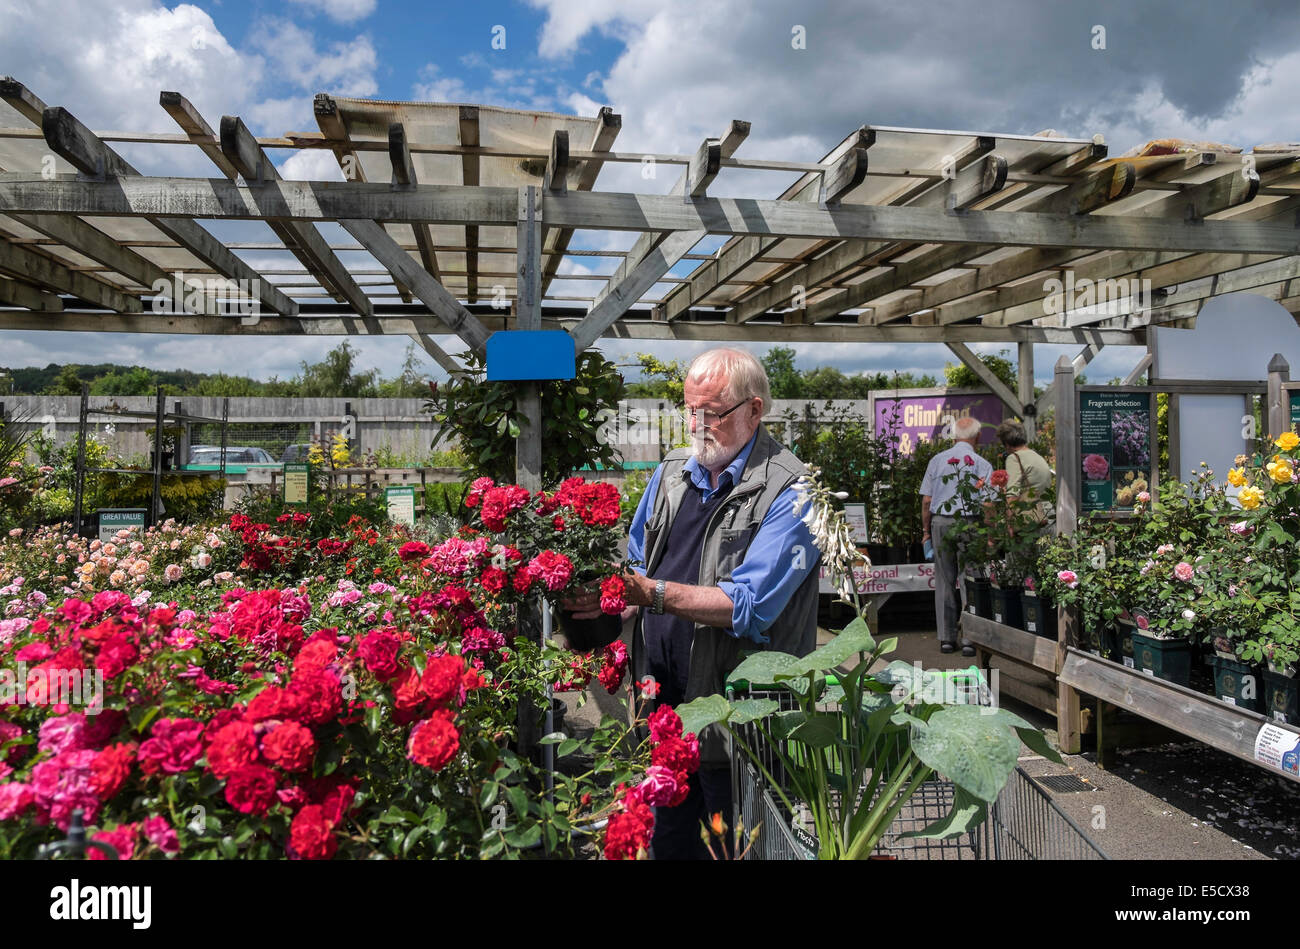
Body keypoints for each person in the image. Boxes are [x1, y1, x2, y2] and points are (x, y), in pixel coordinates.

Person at [563, 347, 821, 860]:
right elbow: (638, 561)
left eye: (713, 413)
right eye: (690, 410)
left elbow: (749, 606)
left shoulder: (793, 491)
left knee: (734, 848)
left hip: (741, 725)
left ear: (755, 409)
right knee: (672, 845)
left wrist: (649, 594)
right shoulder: (672, 473)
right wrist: (608, 601)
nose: (698, 424)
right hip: (666, 712)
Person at [919, 416, 993, 656]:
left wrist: (925, 532)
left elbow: (927, 500)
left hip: (941, 522)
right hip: (971, 523)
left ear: (952, 437)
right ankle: (971, 638)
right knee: (971, 579)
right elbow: (989, 503)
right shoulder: (981, 464)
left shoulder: (937, 461)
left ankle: (947, 639)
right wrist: (990, 534)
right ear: (977, 437)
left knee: (944, 580)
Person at [996, 419, 1053, 519]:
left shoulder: (1014, 458)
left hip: (1030, 518)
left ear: (1007, 443)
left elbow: (1013, 494)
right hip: (1048, 513)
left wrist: (1009, 522)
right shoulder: (1036, 456)